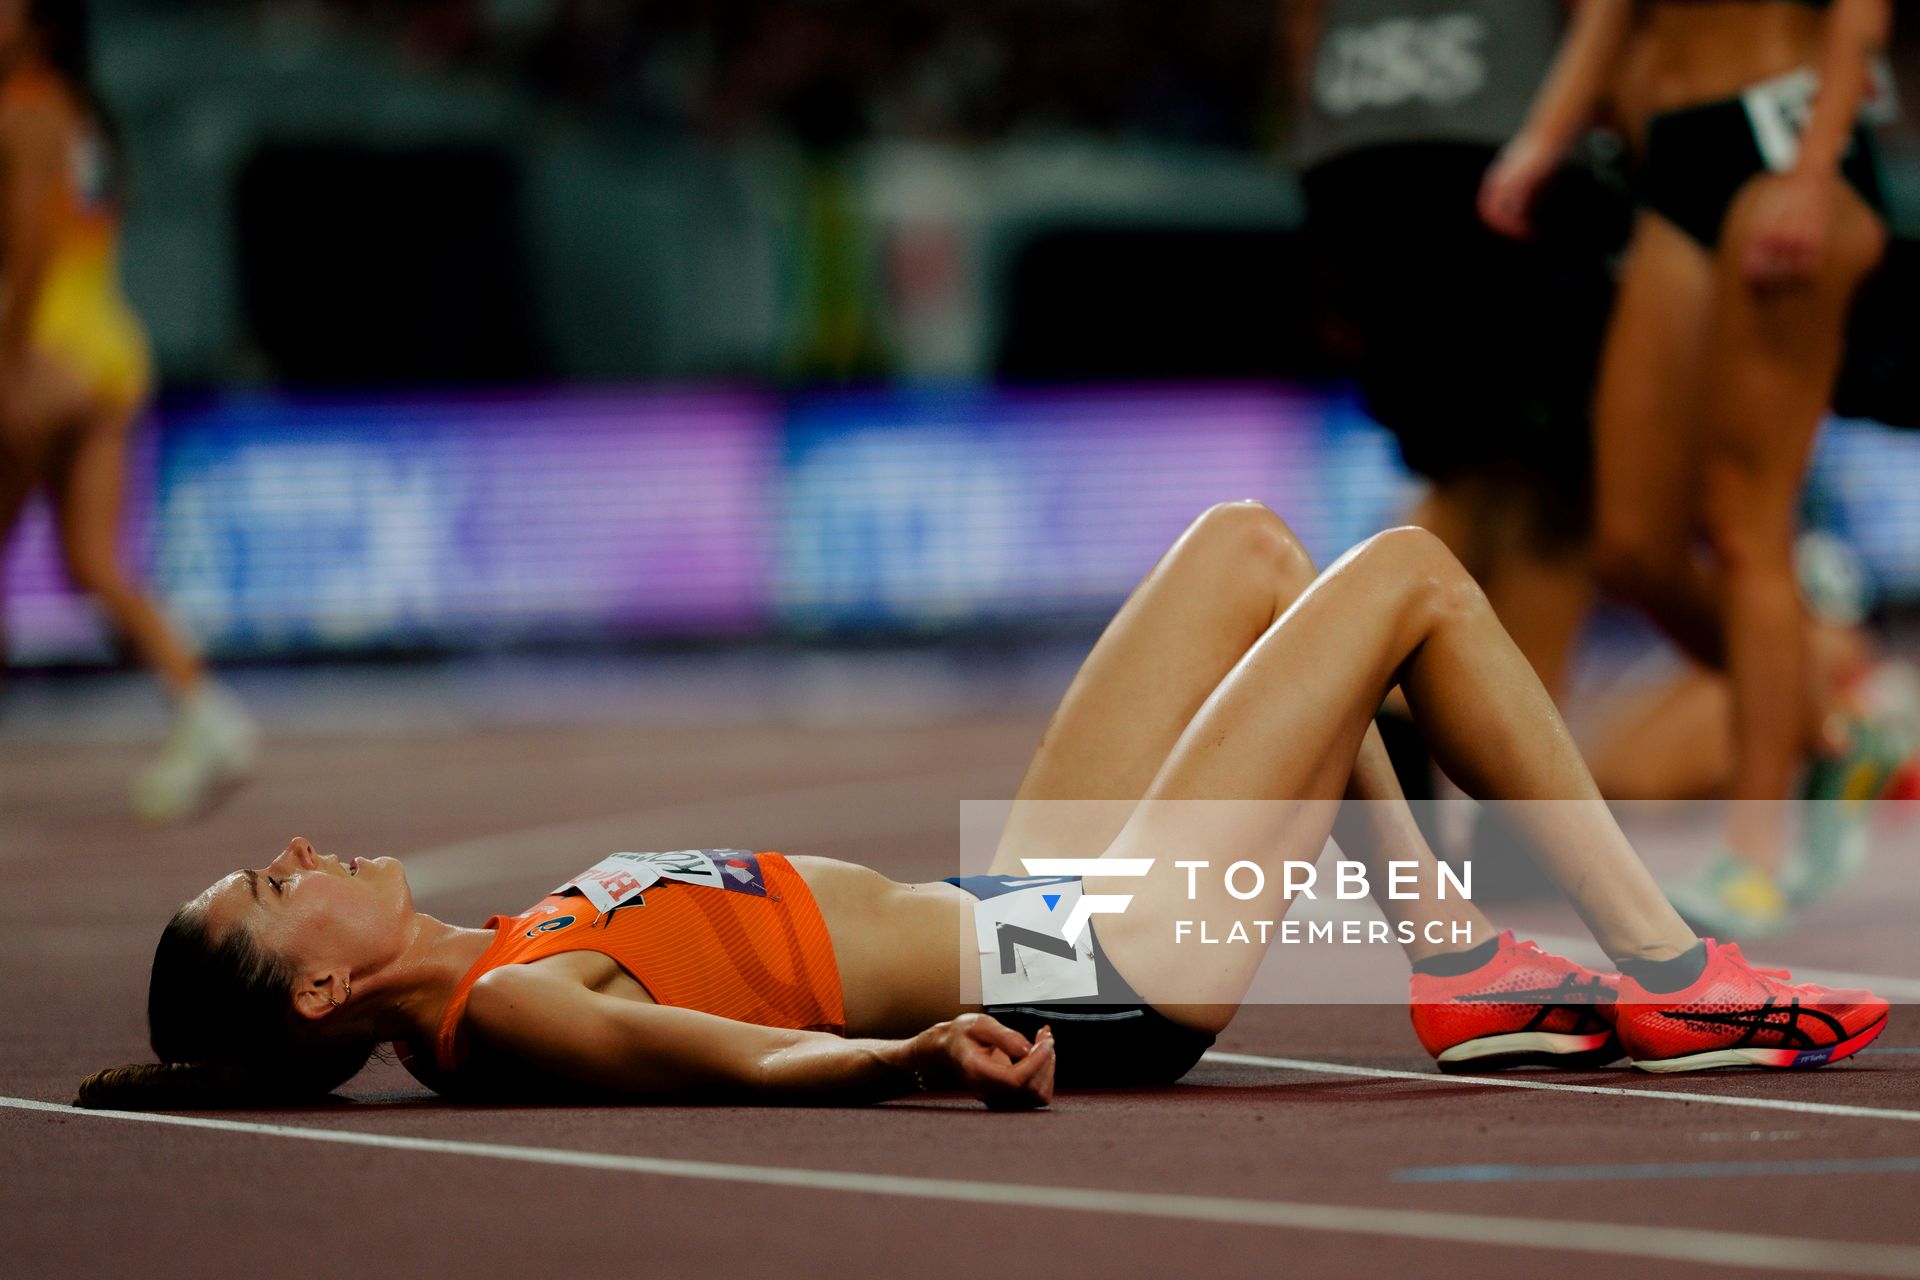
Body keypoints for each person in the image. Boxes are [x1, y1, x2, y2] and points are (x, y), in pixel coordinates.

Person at [76, 504, 1887, 1110]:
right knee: (1406, 572)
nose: (295, 849)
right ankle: (1663, 961)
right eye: (266, 885)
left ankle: (1451, 949)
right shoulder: (504, 1013)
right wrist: (913, 1060)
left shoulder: (494, 955)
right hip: (1092, 975)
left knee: (1251, 554)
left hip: (1014, 899)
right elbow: (742, 1069)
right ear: (316, 993)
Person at [1480, 0, 1905, 937]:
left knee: (1745, 522)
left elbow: (1858, 16)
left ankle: (1753, 860)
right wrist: (1540, 141)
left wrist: (1813, 166)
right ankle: (1833, 733)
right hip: (1674, 160)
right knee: (1633, 548)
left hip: (1788, 140)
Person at [0, 0, 255, 822]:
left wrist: (12, 357)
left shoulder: (26, 111)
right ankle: (204, 709)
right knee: (94, 563)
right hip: (108, 345)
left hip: (46, 349)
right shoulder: (79, 114)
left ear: (38, 23)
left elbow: (31, 250)